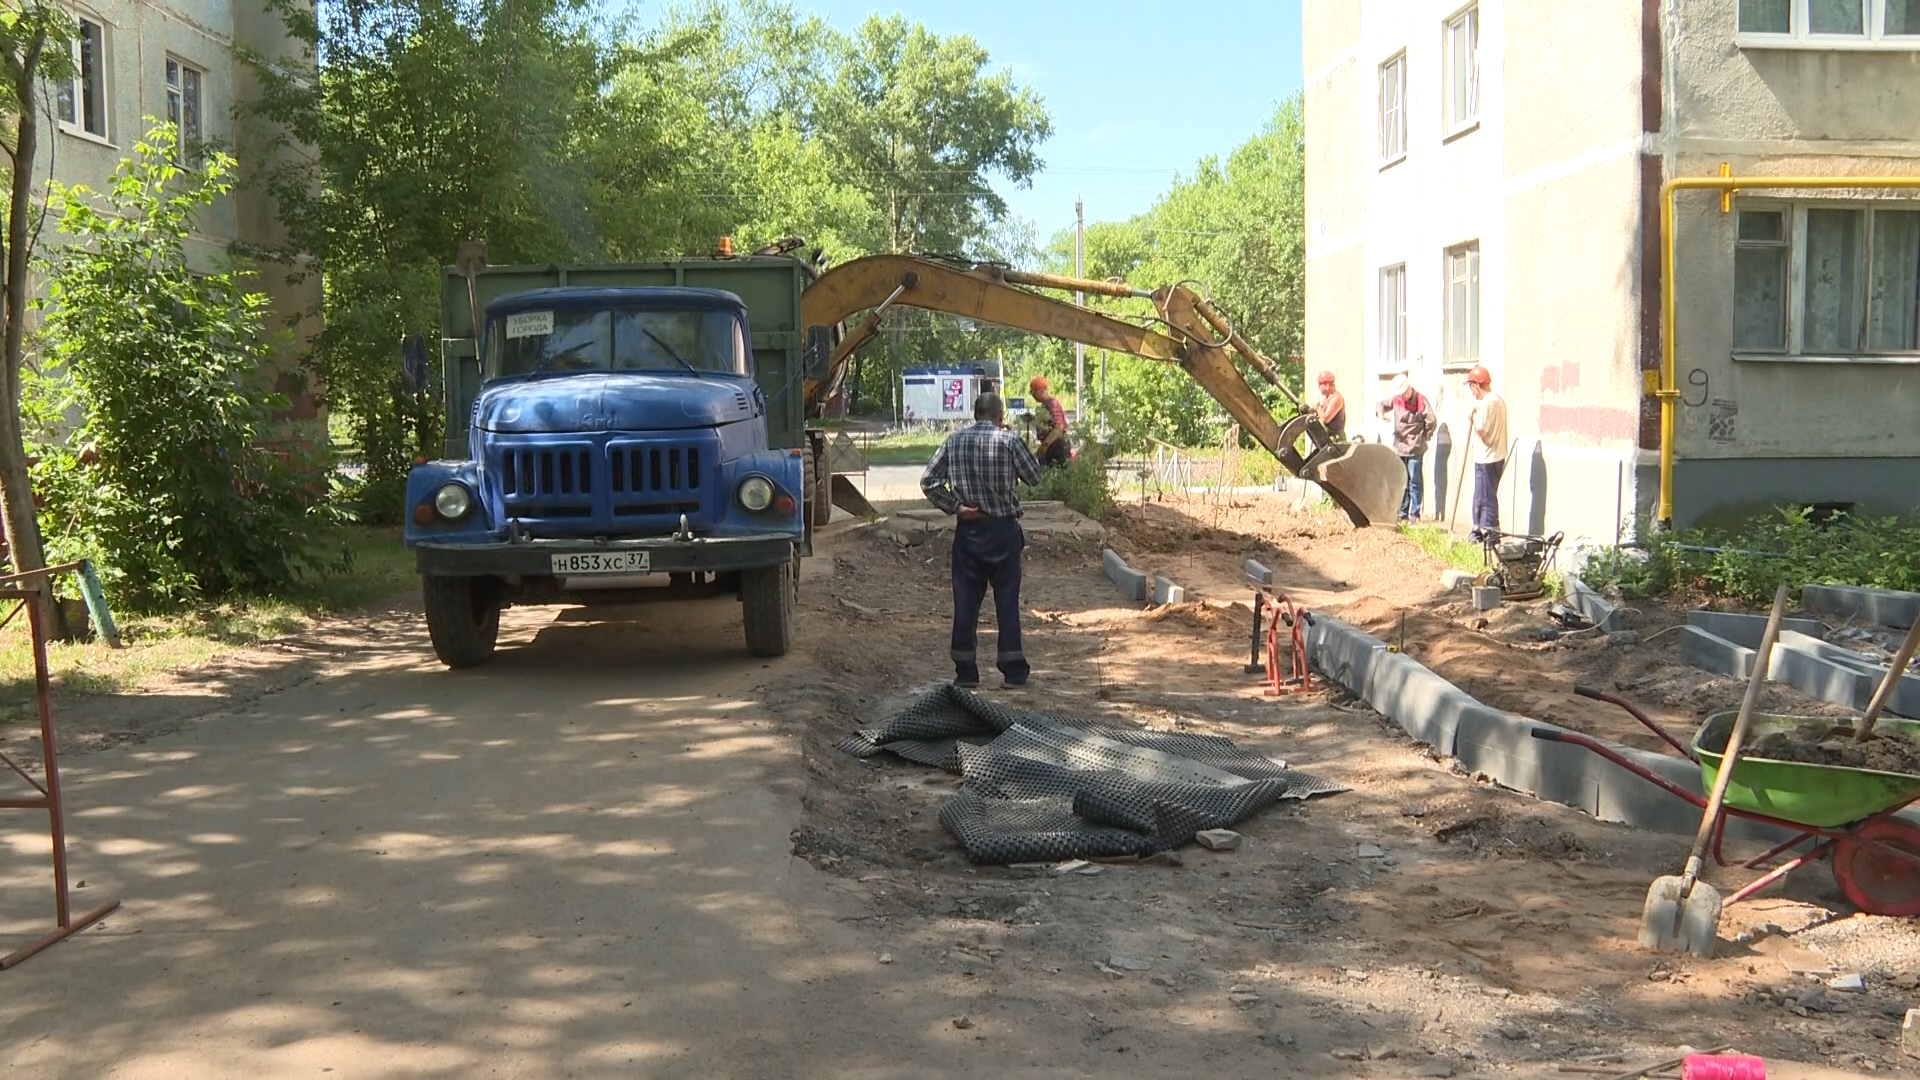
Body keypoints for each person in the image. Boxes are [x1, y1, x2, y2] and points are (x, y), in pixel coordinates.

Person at [921, 392, 1043, 688]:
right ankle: (1013, 672)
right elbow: (1034, 477)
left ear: (975, 414)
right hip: (1003, 532)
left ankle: (966, 672)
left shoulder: (953, 441)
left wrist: (956, 507)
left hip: (969, 533)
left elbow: (929, 481)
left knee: (965, 603)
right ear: (1000, 416)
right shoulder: (1010, 441)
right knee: (1007, 603)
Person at [1375, 374, 1436, 524]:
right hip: (1400, 447)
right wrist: (1382, 415)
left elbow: (1431, 421)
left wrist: (1425, 436)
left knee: (1415, 481)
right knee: (1403, 481)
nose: (1402, 396)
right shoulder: (1397, 400)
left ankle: (1415, 514)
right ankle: (1403, 514)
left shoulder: (1421, 400)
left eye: (1404, 393)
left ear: (1409, 389)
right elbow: (1381, 404)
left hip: (1415, 447)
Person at [1465, 364, 1509, 542]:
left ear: (1476, 385)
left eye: (1471, 388)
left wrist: (1472, 416)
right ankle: (1482, 530)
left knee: (1486, 496)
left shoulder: (1489, 402)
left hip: (1488, 457)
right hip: (1495, 455)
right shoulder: (1497, 400)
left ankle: (1490, 533)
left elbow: (1481, 430)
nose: (1472, 392)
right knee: (1484, 495)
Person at [1027, 376, 1072, 467]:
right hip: (1052, 449)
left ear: (1041, 391)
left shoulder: (1052, 404)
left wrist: (1044, 446)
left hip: (1057, 449)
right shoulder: (1045, 406)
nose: (1033, 396)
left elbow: (1059, 427)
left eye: (1033, 393)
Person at [1315, 371, 1347, 438]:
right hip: (1327, 437)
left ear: (1327, 385)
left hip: (1336, 439)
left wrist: (1317, 407)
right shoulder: (1325, 400)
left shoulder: (1337, 398)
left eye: (1320, 384)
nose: (1319, 387)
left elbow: (1326, 418)